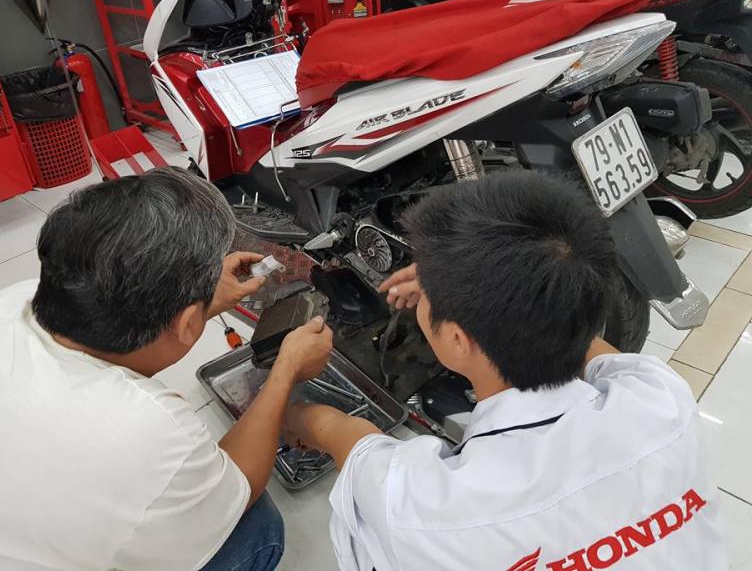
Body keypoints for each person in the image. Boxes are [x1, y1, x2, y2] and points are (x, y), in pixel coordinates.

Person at [284, 170, 726, 571]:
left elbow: (337, 432)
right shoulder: (661, 397)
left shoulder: (422, 505)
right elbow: (568, 318)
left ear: (458, 340)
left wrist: (293, 411)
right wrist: (482, 284)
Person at [0, 167, 333, 571]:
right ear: (187, 326)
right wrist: (286, 369)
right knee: (255, 529)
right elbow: (243, 485)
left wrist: (201, 301)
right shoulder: (150, 432)